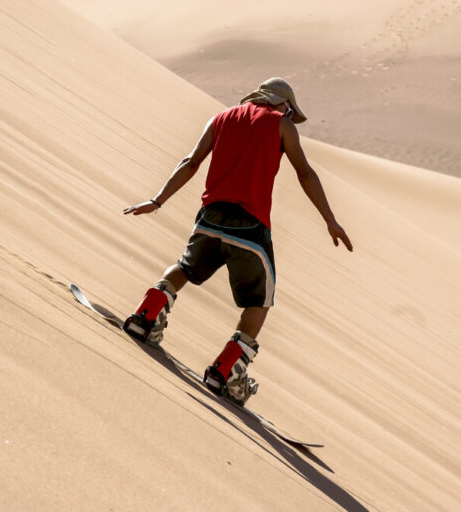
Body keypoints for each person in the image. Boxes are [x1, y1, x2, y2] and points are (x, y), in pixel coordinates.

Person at [122, 77, 352, 405]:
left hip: (210, 217)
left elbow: (191, 162)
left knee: (185, 268)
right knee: (259, 301)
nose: (289, 114)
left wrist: (158, 200)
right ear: (280, 104)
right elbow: (305, 173)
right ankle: (227, 371)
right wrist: (330, 219)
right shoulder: (281, 125)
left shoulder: (221, 117)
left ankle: (146, 316)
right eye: (289, 109)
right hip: (250, 227)